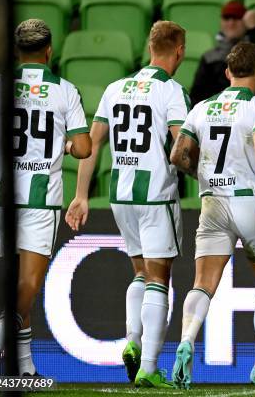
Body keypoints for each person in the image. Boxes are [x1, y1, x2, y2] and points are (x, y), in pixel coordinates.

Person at [65, 21, 190, 388]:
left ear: (150, 47)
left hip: (121, 195)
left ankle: (132, 343)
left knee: (140, 272)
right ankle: (149, 366)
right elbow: (179, 146)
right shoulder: (171, 91)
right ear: (179, 50)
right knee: (159, 278)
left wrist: (82, 194)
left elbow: (92, 143)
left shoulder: (115, 88)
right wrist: (200, 173)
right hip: (155, 194)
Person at [169, 42, 255, 389]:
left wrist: (201, 177)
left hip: (212, 202)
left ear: (227, 73)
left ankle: (187, 341)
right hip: (248, 199)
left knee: (203, 283)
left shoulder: (202, 107)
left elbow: (178, 155)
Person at [0, 19, 91, 378]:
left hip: (4, 196)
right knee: (29, 283)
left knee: (17, 282)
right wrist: (70, 145)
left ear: (15, 52)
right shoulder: (64, 90)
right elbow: (86, 147)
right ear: (49, 50)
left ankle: (25, 368)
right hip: (41, 199)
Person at [189, 0, 255, 105]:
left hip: (252, 113)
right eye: (226, 18)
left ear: (246, 22)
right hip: (217, 116)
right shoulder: (209, 57)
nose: (231, 23)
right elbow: (197, 96)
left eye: (236, 18)